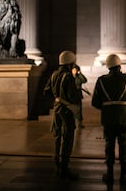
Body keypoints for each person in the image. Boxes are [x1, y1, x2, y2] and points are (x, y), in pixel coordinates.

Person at [91, 54, 126, 183]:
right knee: (124, 144)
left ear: (108, 66)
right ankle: (124, 174)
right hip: (124, 117)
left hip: (108, 117)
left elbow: (95, 102)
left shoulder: (101, 80)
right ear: (119, 66)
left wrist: (106, 107)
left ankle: (110, 173)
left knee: (109, 144)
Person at [43, 50, 80, 180]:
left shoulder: (53, 75)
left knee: (58, 137)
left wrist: (56, 99)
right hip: (66, 111)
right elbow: (73, 96)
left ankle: (58, 165)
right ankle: (64, 169)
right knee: (67, 139)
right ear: (70, 63)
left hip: (57, 109)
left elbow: (46, 91)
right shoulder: (68, 76)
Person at [72, 64, 88, 129]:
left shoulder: (78, 77)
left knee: (79, 110)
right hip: (71, 95)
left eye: (76, 70)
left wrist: (80, 73)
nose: (75, 71)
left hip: (78, 95)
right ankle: (72, 123)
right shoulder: (69, 77)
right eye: (74, 70)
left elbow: (84, 80)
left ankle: (79, 124)